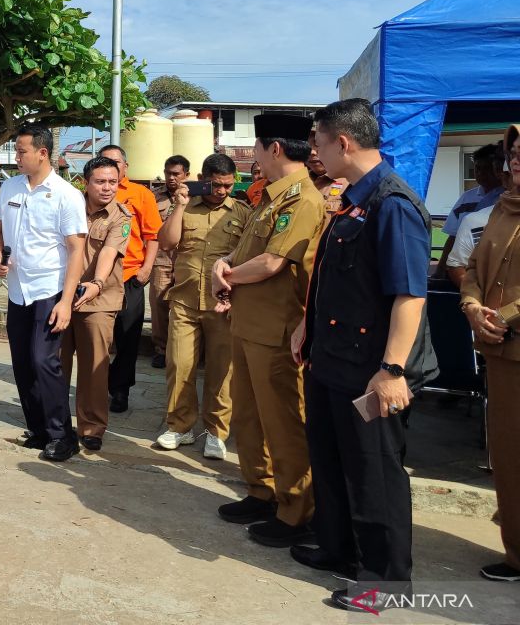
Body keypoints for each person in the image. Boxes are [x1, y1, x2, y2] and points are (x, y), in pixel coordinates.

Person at [292, 99, 431, 612]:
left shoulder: (392, 203)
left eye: (318, 143)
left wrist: (392, 370)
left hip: (371, 371)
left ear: (343, 142)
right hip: (331, 359)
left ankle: (387, 584)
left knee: (374, 472)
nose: (316, 153)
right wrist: (307, 327)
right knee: (330, 460)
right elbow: (333, 277)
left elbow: (409, 295)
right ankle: (338, 549)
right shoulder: (352, 200)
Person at [211, 113, 325, 548]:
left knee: (283, 422)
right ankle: (261, 491)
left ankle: (296, 509)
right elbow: (248, 253)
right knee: (248, 416)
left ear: (274, 149)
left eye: (257, 148)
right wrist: (227, 269)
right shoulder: (269, 197)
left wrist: (230, 275)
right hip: (248, 323)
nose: (254, 157)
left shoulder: (302, 200)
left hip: (278, 329)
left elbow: (274, 262)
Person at [0, 124, 88, 462]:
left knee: (43, 361)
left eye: (21, 151)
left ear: (42, 153)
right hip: (17, 290)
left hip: (49, 289)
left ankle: (63, 434)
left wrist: (66, 302)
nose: (16, 157)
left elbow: (77, 250)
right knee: (22, 363)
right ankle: (38, 431)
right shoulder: (10, 187)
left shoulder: (66, 194)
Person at [155, 154, 249, 460]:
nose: (222, 191)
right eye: (216, 184)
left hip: (222, 306)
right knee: (179, 365)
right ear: (202, 177)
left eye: (227, 185)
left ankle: (215, 432)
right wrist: (180, 205)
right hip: (183, 302)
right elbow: (167, 243)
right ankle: (179, 426)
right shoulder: (183, 206)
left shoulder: (242, 212)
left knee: (222, 372)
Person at [461, 123, 520, 583]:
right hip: (500, 354)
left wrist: (507, 315)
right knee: (507, 453)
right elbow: (474, 269)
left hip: (511, 336)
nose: (516, 159)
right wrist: (472, 305)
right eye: (513, 151)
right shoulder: (502, 208)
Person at [59, 157, 132, 451]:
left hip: (99, 300)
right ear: (85, 183)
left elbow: (109, 252)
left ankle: (91, 427)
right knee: (55, 363)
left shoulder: (121, 215)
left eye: (112, 182)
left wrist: (97, 283)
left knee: (94, 368)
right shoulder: (68, 205)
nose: (107, 188)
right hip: (62, 295)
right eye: (100, 182)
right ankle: (54, 420)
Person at [99, 145, 163, 413]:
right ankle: (99, 384)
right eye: (105, 163)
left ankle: (121, 389)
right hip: (99, 278)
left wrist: (146, 268)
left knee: (128, 336)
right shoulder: (94, 191)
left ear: (126, 166)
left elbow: (153, 235)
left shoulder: (140, 194)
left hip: (129, 275)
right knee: (99, 336)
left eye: (116, 163)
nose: (111, 168)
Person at [438, 143, 506, 276]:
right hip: (464, 271)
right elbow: (453, 236)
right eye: (477, 168)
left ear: (498, 170)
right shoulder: (466, 198)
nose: (481, 173)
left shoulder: (507, 198)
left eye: (486, 169)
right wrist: (440, 269)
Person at [149, 156, 190, 370]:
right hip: (162, 260)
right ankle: (161, 350)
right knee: (158, 305)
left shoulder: (196, 198)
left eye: (176, 173)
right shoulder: (154, 198)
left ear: (186, 175)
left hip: (186, 259)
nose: (171, 177)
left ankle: (185, 350)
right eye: (168, 173)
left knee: (186, 306)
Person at [448, 154, 512, 289]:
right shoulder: (475, 221)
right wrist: (476, 300)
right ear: (503, 177)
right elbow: (456, 264)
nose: (482, 174)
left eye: (486, 169)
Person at [307, 129, 348, 217]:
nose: (312, 152)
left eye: (318, 145)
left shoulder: (351, 184)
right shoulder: (297, 182)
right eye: (306, 147)